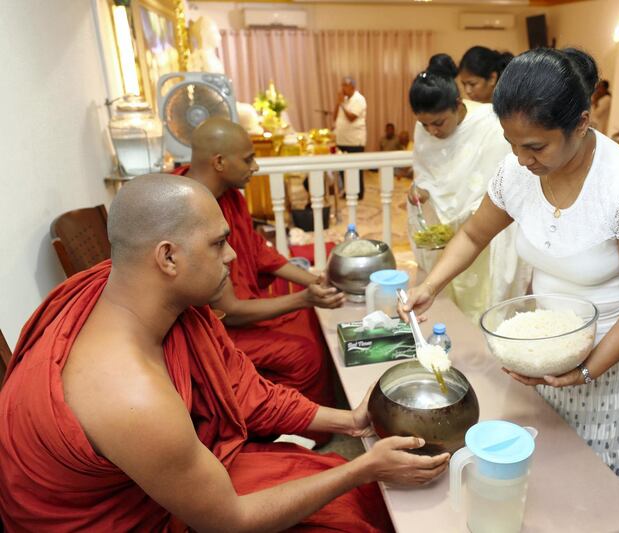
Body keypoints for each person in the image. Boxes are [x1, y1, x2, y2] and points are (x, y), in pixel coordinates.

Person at [0, 174, 450, 531]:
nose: (234, 255)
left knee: (332, 473)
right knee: (352, 507)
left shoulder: (137, 291)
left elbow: (246, 391)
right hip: (132, 518)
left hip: (166, 480)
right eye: (218, 243)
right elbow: (228, 520)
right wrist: (364, 469)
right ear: (168, 258)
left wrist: (349, 422)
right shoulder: (129, 396)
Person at [401, 48, 619, 522]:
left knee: (611, 450)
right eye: (512, 144)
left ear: (580, 122)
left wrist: (586, 370)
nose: (521, 159)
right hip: (561, 324)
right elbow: (475, 233)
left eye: (535, 147)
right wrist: (430, 285)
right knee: (556, 435)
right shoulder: (517, 171)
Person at [176, 118, 344, 410]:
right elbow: (229, 311)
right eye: (248, 159)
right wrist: (304, 299)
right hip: (207, 330)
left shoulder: (229, 197)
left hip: (235, 311)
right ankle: (289, 427)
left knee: (309, 322)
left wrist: (314, 281)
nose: (256, 166)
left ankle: (291, 406)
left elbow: (257, 250)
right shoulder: (186, 211)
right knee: (303, 352)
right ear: (219, 162)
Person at [407, 54, 530, 323]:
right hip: (442, 224)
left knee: (484, 303)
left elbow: (502, 180)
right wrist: (420, 190)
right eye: (424, 124)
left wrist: (468, 212)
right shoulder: (423, 129)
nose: (432, 131)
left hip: (485, 223)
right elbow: (425, 171)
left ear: (457, 105)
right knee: (446, 296)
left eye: (438, 123)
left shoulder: (489, 124)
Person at [334, 76, 367, 200]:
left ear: (352, 86)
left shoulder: (359, 99)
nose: (342, 88)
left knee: (356, 168)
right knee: (342, 168)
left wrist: (342, 103)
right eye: (341, 85)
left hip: (354, 141)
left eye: (344, 85)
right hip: (341, 139)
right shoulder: (345, 100)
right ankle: (347, 191)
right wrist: (338, 103)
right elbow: (334, 117)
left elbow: (351, 118)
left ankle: (358, 193)